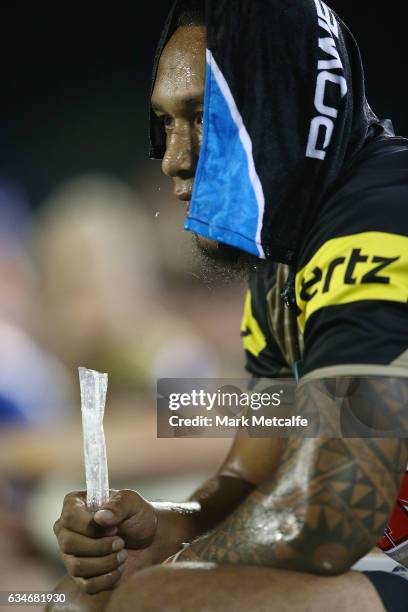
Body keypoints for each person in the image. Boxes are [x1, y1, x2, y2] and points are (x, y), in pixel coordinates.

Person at [49, 1, 408, 610]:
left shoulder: (379, 225)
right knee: (75, 600)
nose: (173, 156)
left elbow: (331, 510)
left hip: (363, 539)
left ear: (295, 109)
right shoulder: (284, 257)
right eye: (165, 122)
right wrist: (161, 527)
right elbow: (246, 477)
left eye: (205, 116)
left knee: (152, 601)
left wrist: (177, 567)